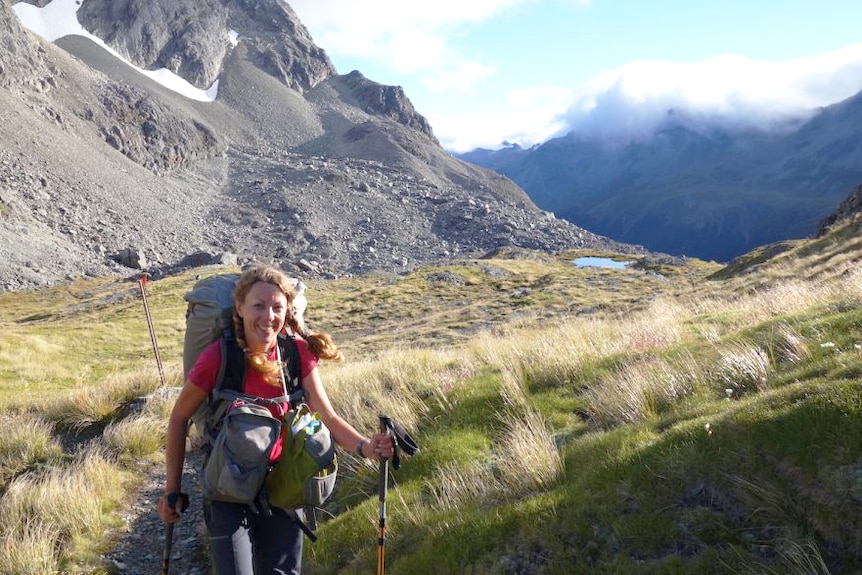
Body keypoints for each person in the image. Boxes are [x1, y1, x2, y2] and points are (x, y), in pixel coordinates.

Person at [158, 265, 394, 575]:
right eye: (258, 306)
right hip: (227, 490)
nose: (268, 316)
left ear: (287, 311)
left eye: (277, 307)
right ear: (240, 308)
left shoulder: (296, 354)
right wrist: (172, 491)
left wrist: (367, 447)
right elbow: (179, 419)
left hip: (284, 487)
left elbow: (328, 417)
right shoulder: (219, 357)